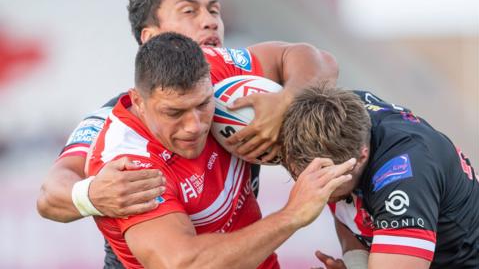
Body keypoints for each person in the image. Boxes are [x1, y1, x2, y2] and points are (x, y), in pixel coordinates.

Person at [37, 0, 338, 266]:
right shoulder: (117, 137)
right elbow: (50, 195)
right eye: (189, 10)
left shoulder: (220, 71)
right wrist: (89, 194)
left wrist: (288, 100)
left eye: (213, 9)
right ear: (152, 36)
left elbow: (319, 61)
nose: (209, 20)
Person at [87, 32, 352, 269]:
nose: (195, 126)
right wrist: (292, 214)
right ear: (138, 101)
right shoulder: (128, 164)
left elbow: (321, 60)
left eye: (203, 104)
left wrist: (287, 100)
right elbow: (181, 264)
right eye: (174, 112)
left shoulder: (213, 67)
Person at [280, 86, 479, 269]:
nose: (312, 191)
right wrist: (356, 264)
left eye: (327, 183)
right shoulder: (336, 112)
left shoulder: (403, 177)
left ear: (361, 156)